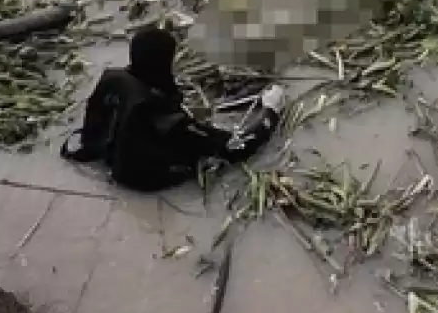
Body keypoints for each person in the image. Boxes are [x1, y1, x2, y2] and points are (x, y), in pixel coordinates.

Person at [62, 25, 285, 191]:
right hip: (139, 179)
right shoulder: (160, 114)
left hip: (103, 152)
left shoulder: (115, 80)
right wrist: (270, 111)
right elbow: (236, 147)